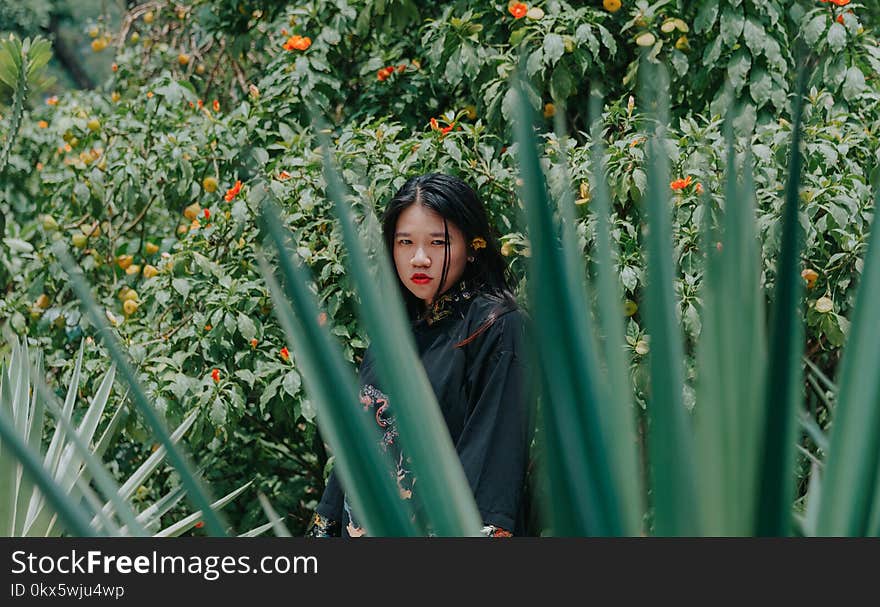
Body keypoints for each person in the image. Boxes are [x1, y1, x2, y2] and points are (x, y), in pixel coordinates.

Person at [306, 173, 535, 537]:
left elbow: (494, 466)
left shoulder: (497, 328)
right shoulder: (394, 333)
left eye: (438, 243)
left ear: (473, 247)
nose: (419, 258)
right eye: (405, 242)